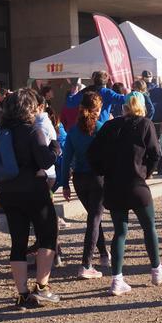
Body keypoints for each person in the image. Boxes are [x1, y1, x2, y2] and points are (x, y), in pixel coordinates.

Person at [88, 94, 162, 296]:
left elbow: (92, 153)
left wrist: (103, 170)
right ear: (143, 108)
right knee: (149, 226)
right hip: (136, 184)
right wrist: (147, 172)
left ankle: (117, 279)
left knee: (120, 232)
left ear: (124, 106)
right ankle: (156, 269)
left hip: (113, 185)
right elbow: (155, 154)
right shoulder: (145, 124)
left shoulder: (110, 126)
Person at [0, 89, 62, 310]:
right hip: (33, 190)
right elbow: (44, 161)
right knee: (48, 236)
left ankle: (22, 294)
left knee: (18, 242)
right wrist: (55, 147)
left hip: (7, 191)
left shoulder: (2, 133)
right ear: (29, 108)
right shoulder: (33, 131)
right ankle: (42, 287)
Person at [60, 92, 110, 279]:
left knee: (93, 218)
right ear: (97, 110)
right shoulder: (101, 128)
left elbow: (66, 160)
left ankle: (104, 254)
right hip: (98, 178)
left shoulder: (72, 131)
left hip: (79, 180)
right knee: (94, 219)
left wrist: (65, 184)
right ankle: (86, 264)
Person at [145, 71, 162, 175]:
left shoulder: (143, 90)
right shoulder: (160, 90)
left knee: (149, 144)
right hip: (160, 120)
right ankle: (160, 169)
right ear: (152, 78)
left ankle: (152, 168)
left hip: (149, 120)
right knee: (159, 145)